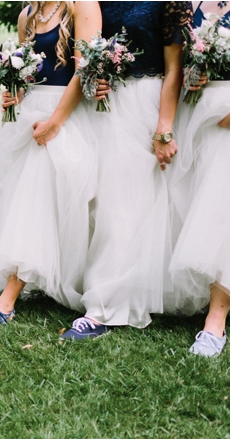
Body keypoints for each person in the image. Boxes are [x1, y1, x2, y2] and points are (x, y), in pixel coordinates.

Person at [61, 1, 193, 340]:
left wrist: (164, 127)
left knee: (123, 204)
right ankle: (96, 284)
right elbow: (88, 58)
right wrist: (95, 84)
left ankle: (108, 306)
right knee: (100, 200)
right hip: (104, 109)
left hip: (144, 104)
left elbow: (174, 68)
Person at [0, 1, 101, 329]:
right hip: (30, 114)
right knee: (27, 197)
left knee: (37, 195)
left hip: (65, 114)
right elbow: (27, 72)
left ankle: (9, 298)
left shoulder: (82, 8)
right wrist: (15, 94)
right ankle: (31, 274)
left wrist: (55, 123)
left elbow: (85, 71)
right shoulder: (27, 14)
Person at [166, 0, 230, 356]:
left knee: (223, 206)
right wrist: (193, 76)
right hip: (196, 114)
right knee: (195, 203)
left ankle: (216, 319)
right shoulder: (189, 4)